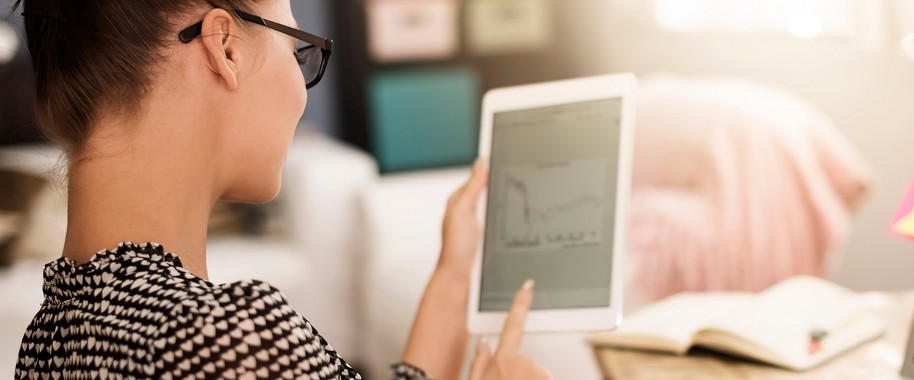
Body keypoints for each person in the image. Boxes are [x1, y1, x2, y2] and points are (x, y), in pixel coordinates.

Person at [11, 0, 548, 378]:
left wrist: (454, 272)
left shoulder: (51, 336)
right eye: (298, 50)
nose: (301, 93)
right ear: (225, 46)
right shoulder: (228, 340)